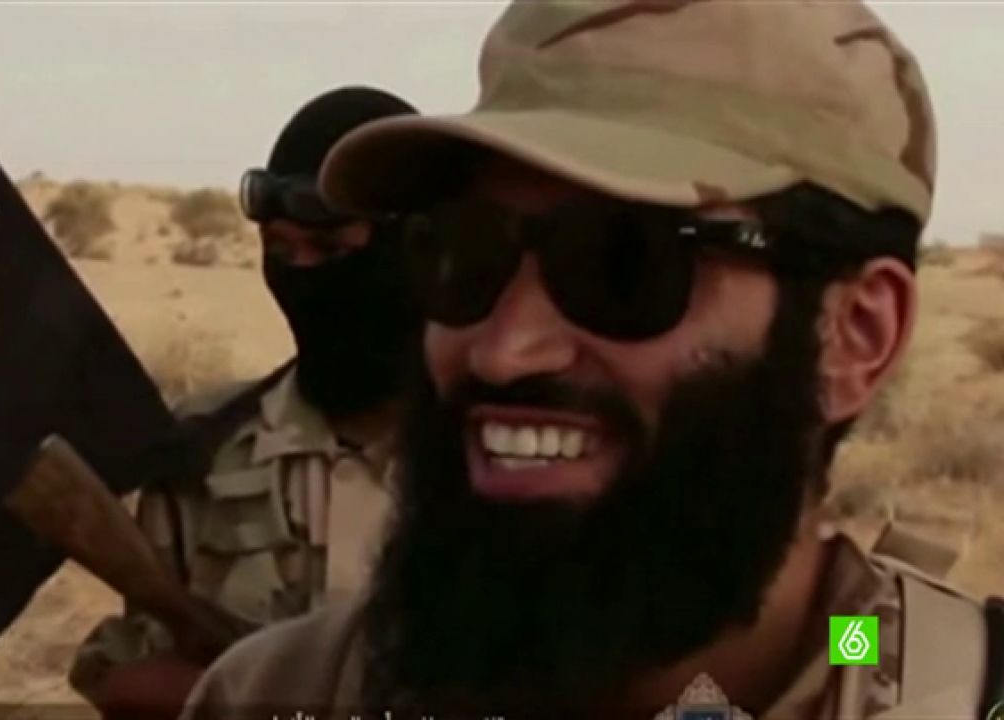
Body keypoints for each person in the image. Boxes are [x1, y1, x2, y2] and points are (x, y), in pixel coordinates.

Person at [180, 2, 1004, 718]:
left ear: (854, 336)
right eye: (465, 252)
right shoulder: (284, 693)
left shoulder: (952, 689)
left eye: (624, 263)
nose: (505, 351)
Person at [68, 87, 422, 718]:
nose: (302, 275)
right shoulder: (204, 455)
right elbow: (130, 675)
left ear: (418, 253)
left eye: (331, 251)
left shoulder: (502, 459)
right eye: (280, 251)